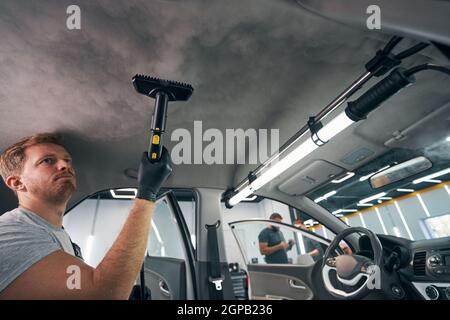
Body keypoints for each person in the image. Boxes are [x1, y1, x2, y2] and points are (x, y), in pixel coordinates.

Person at [0, 133, 172, 299]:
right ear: (17, 183)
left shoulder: (56, 234)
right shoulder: (10, 232)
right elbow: (102, 295)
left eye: (67, 160)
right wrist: (147, 193)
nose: (64, 165)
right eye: (47, 161)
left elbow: (75, 291)